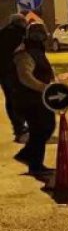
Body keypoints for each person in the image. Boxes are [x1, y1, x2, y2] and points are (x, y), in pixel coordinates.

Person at [12, 23, 54, 175]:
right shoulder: (24, 52)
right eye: (42, 35)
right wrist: (43, 87)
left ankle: (28, 157)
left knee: (46, 128)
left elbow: (43, 69)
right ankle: (35, 165)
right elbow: (25, 77)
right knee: (40, 130)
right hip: (28, 99)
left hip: (38, 98)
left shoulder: (36, 50)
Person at [0, 14, 29, 143]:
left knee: (10, 100)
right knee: (20, 99)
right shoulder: (22, 35)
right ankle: (21, 129)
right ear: (21, 22)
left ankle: (19, 128)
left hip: (3, 72)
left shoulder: (2, 33)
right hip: (16, 72)